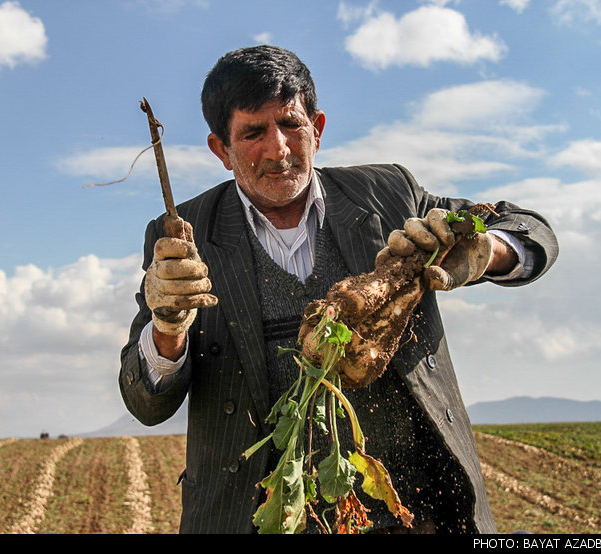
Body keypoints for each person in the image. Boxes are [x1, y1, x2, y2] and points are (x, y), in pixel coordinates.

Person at [119, 45, 558, 534]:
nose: (278, 149)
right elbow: (146, 403)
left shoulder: (389, 193)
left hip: (416, 515)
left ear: (318, 129)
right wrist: (169, 326)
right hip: (257, 519)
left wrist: (488, 250)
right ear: (221, 149)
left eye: (291, 124)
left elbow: (531, 229)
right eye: (253, 133)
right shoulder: (182, 233)